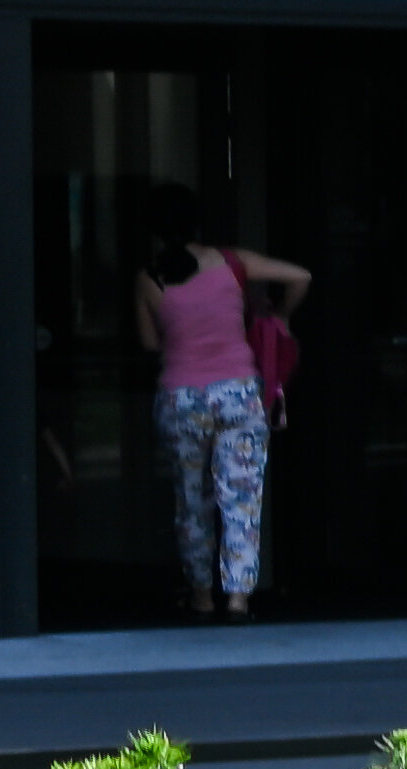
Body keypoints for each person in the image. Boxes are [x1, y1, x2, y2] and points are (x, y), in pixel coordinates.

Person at [131, 206, 312, 622]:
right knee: (242, 498)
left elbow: (148, 344)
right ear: (196, 227)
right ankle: (237, 599)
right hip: (237, 395)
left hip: (181, 397)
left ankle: (200, 595)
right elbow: (302, 276)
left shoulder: (147, 278)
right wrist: (281, 316)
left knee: (192, 499)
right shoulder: (234, 262)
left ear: (156, 235)